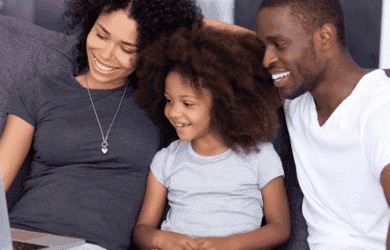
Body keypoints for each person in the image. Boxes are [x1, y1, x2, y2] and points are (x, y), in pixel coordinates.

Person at [0, 1, 252, 249]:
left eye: (127, 48)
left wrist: (176, 23)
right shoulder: (41, 91)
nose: (106, 54)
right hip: (22, 238)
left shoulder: (159, 101)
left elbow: (253, 49)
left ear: (151, 49)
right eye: (101, 35)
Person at [132, 26, 291, 250]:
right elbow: (143, 229)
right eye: (169, 100)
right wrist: (159, 239)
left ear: (222, 104)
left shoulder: (260, 155)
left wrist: (228, 244)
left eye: (187, 103)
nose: (174, 112)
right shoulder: (166, 159)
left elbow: (280, 229)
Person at [256, 0, 390, 249]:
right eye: (264, 46)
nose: (266, 60)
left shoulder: (380, 108)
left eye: (279, 45)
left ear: (325, 37)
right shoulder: (297, 105)